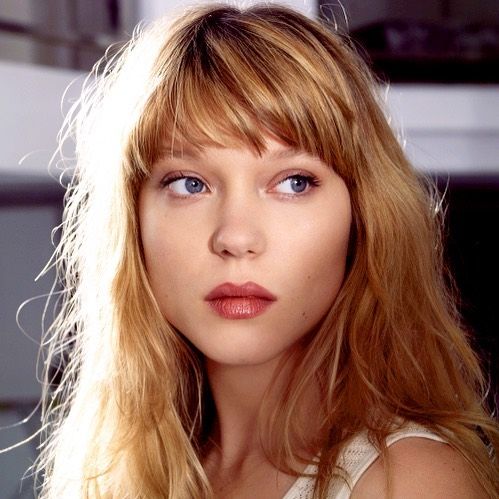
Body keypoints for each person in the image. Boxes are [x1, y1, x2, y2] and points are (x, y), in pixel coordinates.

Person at [36, 3, 499, 498]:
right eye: (189, 184)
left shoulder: (408, 481)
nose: (235, 237)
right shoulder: (113, 474)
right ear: (132, 220)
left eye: (294, 182)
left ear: (363, 215)